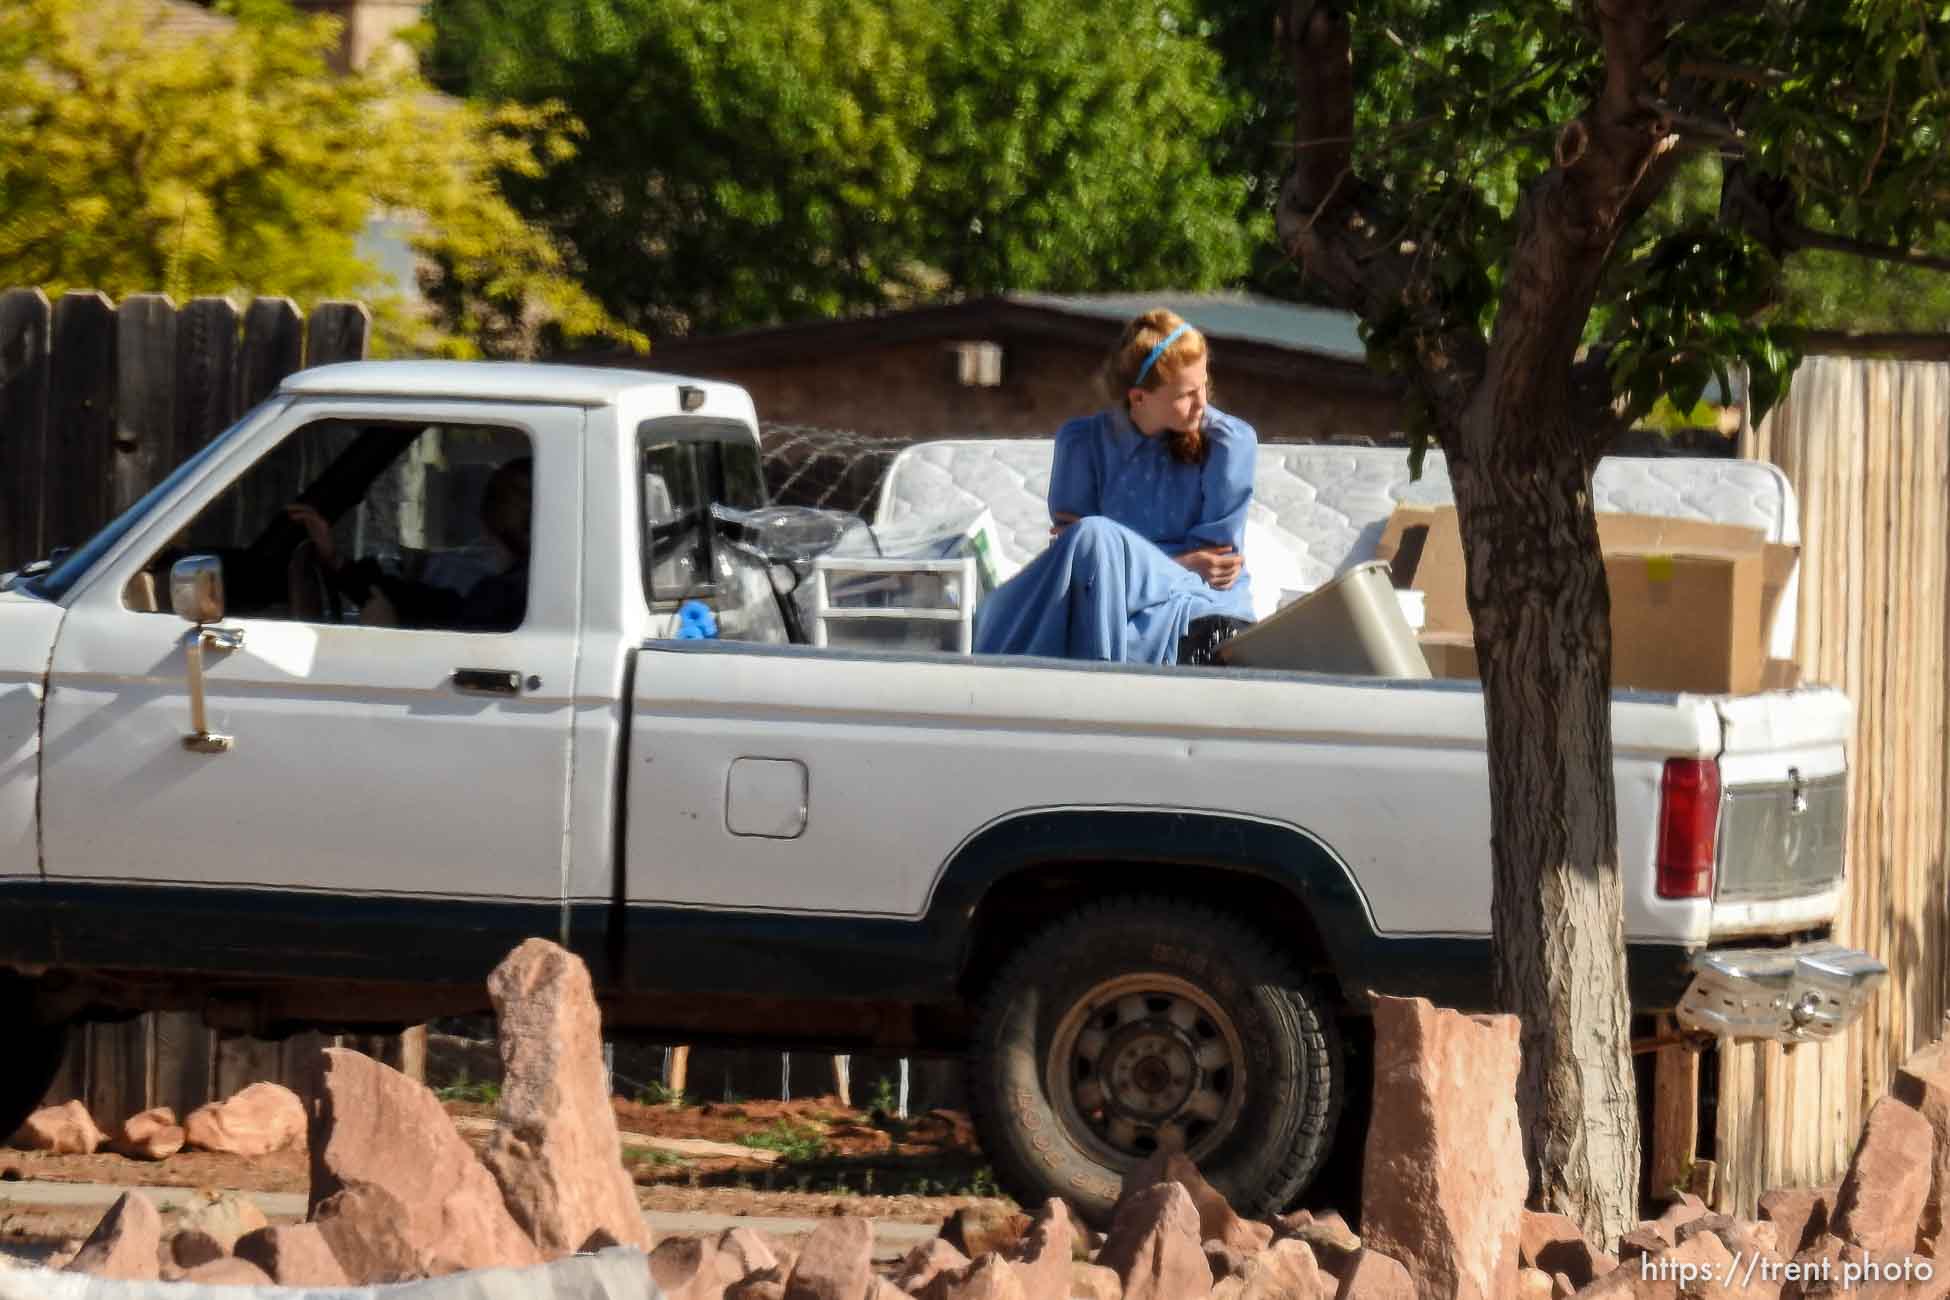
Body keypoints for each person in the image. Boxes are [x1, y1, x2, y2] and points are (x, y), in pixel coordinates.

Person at [972, 310, 1257, 663]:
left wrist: (1123, 564)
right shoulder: (1081, 442)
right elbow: (1077, 561)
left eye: (1203, 385)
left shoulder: (1228, 442)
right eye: (1186, 393)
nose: (1202, 402)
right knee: (1003, 604)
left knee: (1095, 535)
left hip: (1192, 596)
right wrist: (1182, 561)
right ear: (1139, 398)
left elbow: (1215, 568)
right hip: (1111, 593)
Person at [285, 457, 532, 632]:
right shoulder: (514, 591)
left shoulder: (506, 598)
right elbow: (435, 607)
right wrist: (337, 562)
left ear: (491, 523)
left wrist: (384, 635)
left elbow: (449, 665)